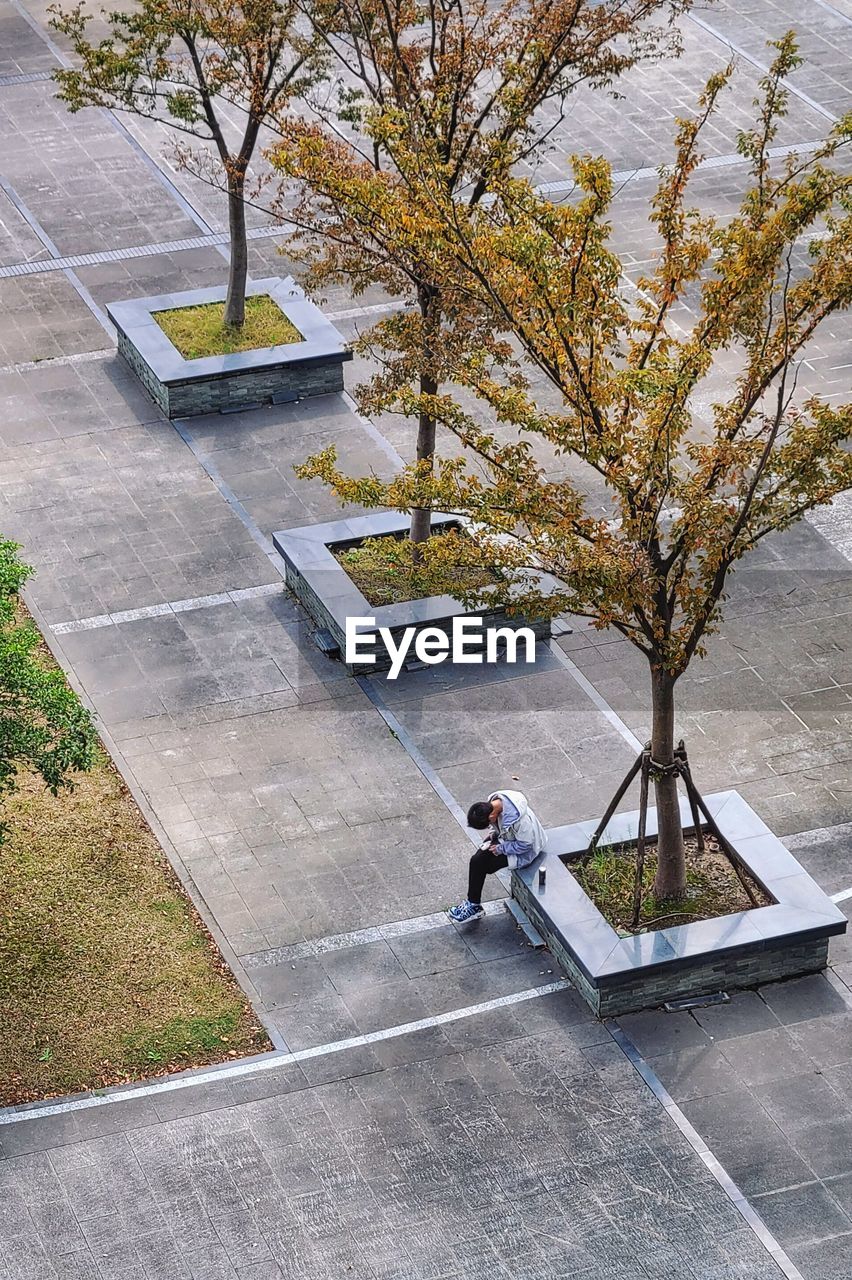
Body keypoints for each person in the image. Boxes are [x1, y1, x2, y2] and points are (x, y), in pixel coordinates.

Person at [448, 789, 547, 923]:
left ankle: (473, 906)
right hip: (507, 840)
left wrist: (501, 848)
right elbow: (499, 826)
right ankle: (473, 904)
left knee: (482, 864)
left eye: (489, 823)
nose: (490, 825)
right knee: (477, 861)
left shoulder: (520, 821)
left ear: (491, 816)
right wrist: (494, 833)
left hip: (524, 851)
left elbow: (526, 844)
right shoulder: (494, 804)